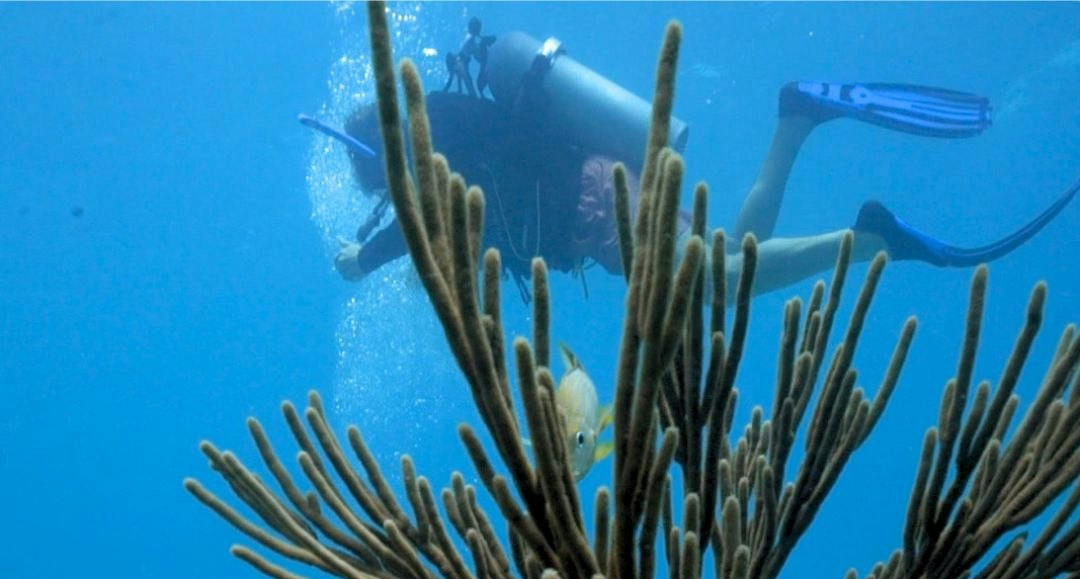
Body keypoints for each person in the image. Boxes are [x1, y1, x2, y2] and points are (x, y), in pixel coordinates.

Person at [321, 26, 1077, 300]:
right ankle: (796, 120)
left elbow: (419, 226)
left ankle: (872, 239)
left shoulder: (432, 130)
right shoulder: (442, 139)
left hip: (598, 207)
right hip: (600, 205)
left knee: (718, 283)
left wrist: (369, 252)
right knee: (727, 266)